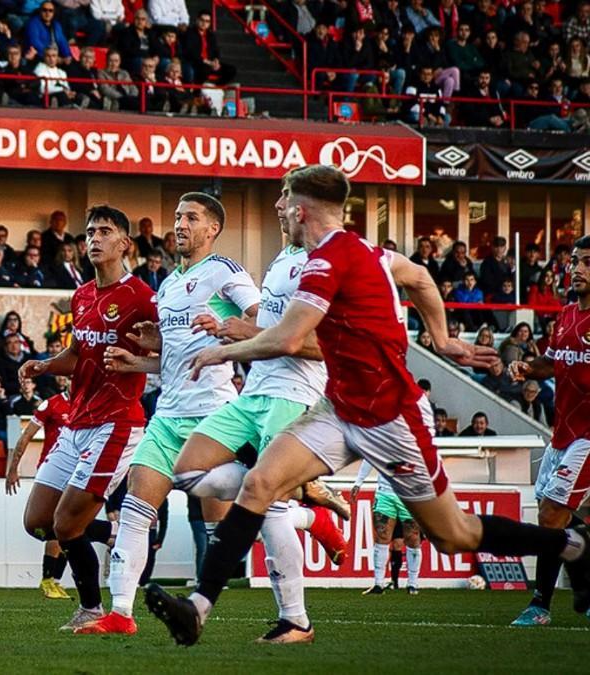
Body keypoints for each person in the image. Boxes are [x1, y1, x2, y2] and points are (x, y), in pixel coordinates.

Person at [143, 164, 588, 647]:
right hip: (339, 408)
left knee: (453, 534)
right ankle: (199, 609)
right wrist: (442, 339)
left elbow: (291, 338)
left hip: (391, 417)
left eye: (284, 202)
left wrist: (223, 350)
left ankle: (571, 545)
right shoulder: (365, 251)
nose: (279, 211)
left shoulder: (326, 260)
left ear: (299, 209)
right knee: (259, 483)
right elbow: (417, 277)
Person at [75, 194, 264, 637]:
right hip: (167, 415)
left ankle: (304, 514)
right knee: (137, 509)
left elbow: (265, 327)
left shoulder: (225, 273)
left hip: (213, 415)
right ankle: (121, 613)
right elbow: (175, 358)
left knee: (253, 508)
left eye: (191, 218)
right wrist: (140, 357)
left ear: (212, 229)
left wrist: (229, 330)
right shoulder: (168, 285)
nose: (180, 225)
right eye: (178, 217)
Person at [17, 205, 157, 632]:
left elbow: (167, 354)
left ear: (124, 244)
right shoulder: (81, 296)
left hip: (116, 424)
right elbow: (78, 356)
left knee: (64, 522)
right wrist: (45, 365)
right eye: (90, 232)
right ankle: (112, 533)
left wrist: (140, 359)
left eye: (104, 231)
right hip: (76, 423)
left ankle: (93, 607)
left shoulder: (142, 297)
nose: (93, 239)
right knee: (38, 522)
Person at [507, 234, 590, 625]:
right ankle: (584, 589)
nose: (577, 269)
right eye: (575, 261)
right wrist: (526, 366)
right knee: (553, 517)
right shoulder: (568, 314)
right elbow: (553, 363)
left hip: (588, 437)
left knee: (552, 513)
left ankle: (539, 605)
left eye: (587, 262)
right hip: (562, 434)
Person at [5, 387, 72, 600]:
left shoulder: (89, 404)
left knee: (71, 529)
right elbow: (26, 436)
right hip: (53, 471)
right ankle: (48, 580)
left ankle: (56, 581)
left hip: (78, 471)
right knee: (58, 526)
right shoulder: (51, 404)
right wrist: (13, 468)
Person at [352, 460, 423, 595]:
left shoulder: (414, 440)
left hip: (410, 494)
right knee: (382, 536)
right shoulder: (380, 440)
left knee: (412, 537)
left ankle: (412, 583)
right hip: (385, 493)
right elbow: (369, 457)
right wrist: (358, 482)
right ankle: (378, 583)